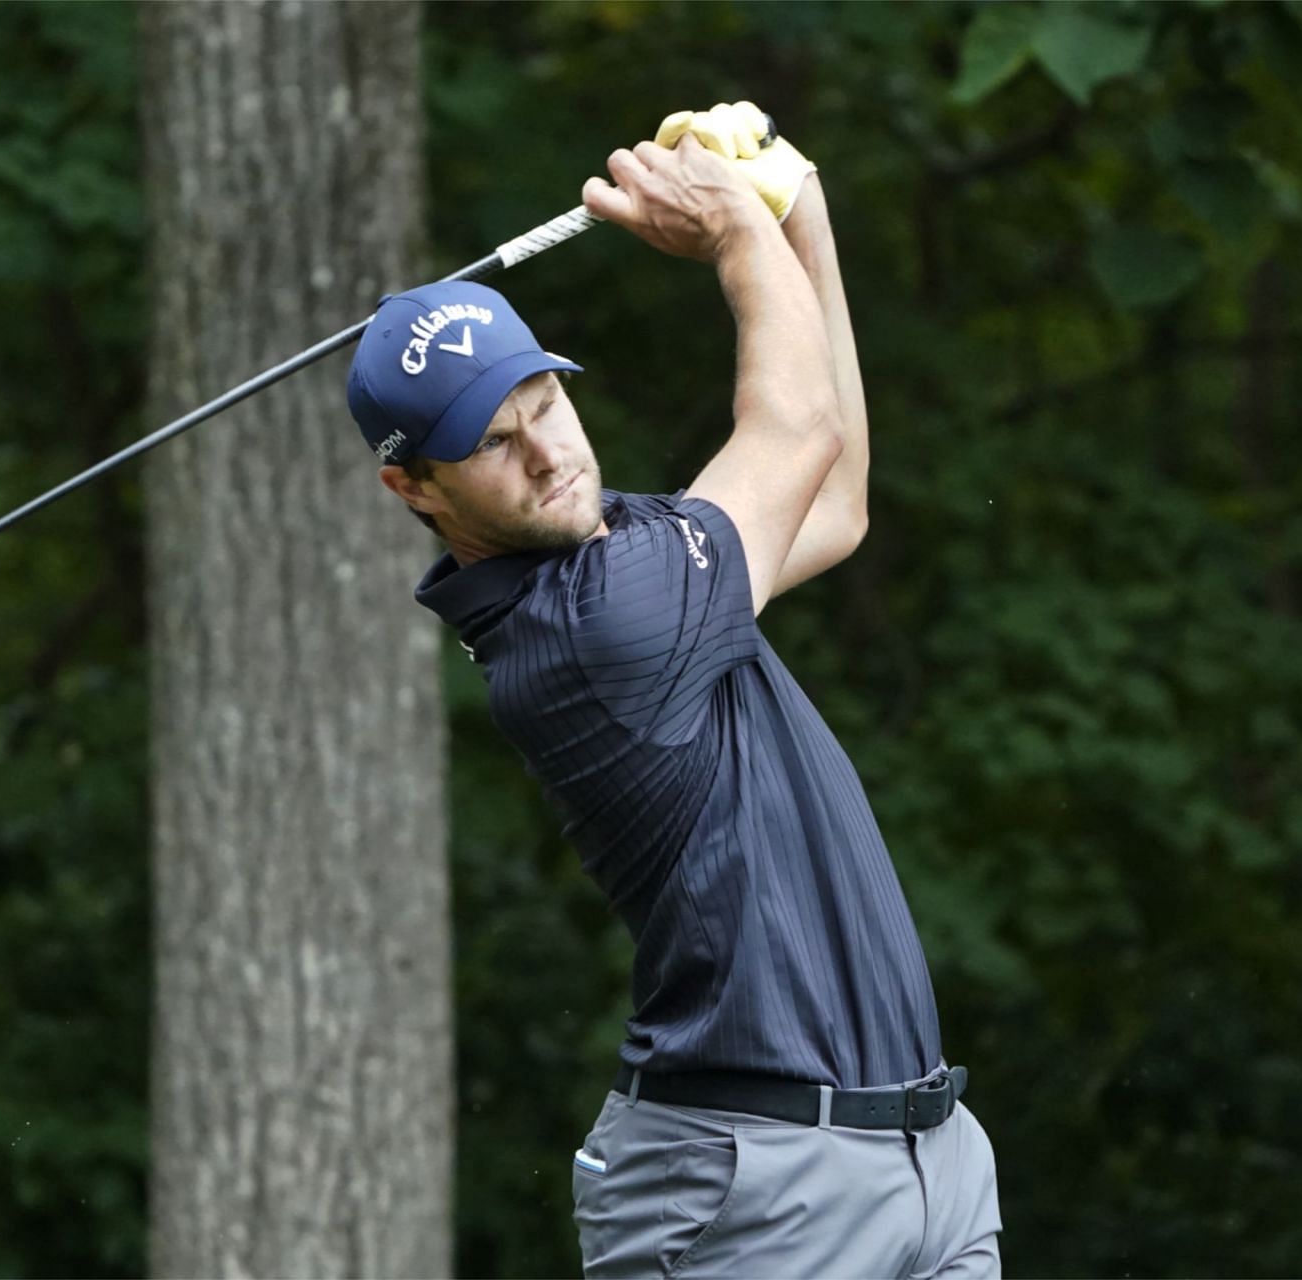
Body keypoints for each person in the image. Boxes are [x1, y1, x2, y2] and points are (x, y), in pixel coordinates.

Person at [346, 103, 1003, 1279]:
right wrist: (737, 234)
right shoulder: (602, 623)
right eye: (498, 441)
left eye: (546, 402)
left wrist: (797, 209)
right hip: (751, 1185)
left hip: (928, 1160)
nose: (550, 451)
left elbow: (836, 497)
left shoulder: (628, 553)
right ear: (416, 489)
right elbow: (793, 429)